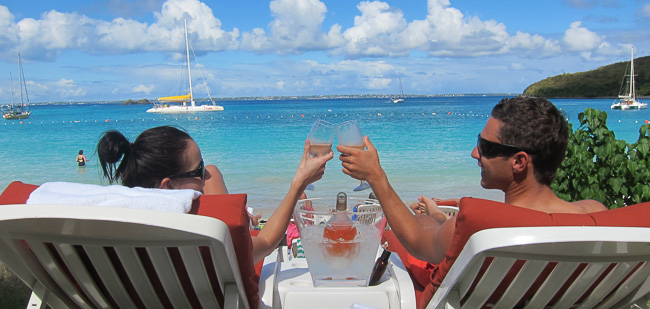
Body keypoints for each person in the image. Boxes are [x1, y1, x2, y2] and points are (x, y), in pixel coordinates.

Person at [337, 96, 606, 307]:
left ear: (520, 161)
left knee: (393, 239)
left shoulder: (483, 225)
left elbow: (417, 242)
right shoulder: (596, 215)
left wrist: (376, 176)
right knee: (426, 217)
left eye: (486, 147)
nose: (474, 153)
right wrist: (441, 218)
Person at [97, 125, 332, 264]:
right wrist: (298, 185)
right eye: (198, 170)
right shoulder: (204, 228)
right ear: (167, 186)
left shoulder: (109, 225)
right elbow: (266, 242)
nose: (205, 177)